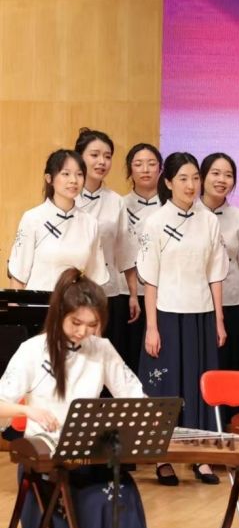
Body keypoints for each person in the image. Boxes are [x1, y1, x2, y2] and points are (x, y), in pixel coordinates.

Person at [0, 268, 148, 528]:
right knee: (92, 501)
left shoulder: (101, 349)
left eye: (92, 325)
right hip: (47, 461)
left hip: (90, 458)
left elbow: (135, 396)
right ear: (59, 314)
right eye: (76, 323)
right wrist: (28, 410)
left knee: (122, 492)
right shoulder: (32, 351)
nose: (83, 332)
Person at [137, 152, 229, 486]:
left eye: (195, 178)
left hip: (201, 315)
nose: (191, 186)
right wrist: (151, 327)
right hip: (166, 315)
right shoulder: (155, 222)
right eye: (183, 179)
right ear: (168, 182)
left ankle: (201, 456)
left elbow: (215, 273)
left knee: (200, 385)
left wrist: (219, 320)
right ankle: (163, 457)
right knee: (166, 386)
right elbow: (150, 279)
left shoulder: (209, 220)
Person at [74, 128, 140, 366]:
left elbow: (125, 252)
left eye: (107, 156)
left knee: (102, 358)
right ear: (79, 157)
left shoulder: (116, 202)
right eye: (94, 155)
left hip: (108, 292)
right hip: (72, 292)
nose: (102, 162)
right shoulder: (67, 196)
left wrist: (133, 294)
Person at [8, 149, 108, 291]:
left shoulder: (90, 223)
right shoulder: (32, 218)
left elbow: (96, 278)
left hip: (76, 302)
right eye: (66, 174)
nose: (73, 180)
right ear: (49, 178)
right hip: (37, 302)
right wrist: (16, 305)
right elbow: (18, 275)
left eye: (79, 174)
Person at [199, 153, 239, 398]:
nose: (222, 180)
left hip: (233, 304)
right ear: (202, 176)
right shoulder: (189, 214)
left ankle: (234, 418)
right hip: (196, 304)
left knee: (232, 369)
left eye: (228, 175)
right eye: (215, 173)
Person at [119, 143, 164, 374]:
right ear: (130, 169)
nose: (145, 169)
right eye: (138, 164)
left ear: (161, 169)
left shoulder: (170, 205)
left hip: (163, 294)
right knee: (127, 355)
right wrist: (133, 293)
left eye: (151, 164)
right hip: (127, 294)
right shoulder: (119, 204)